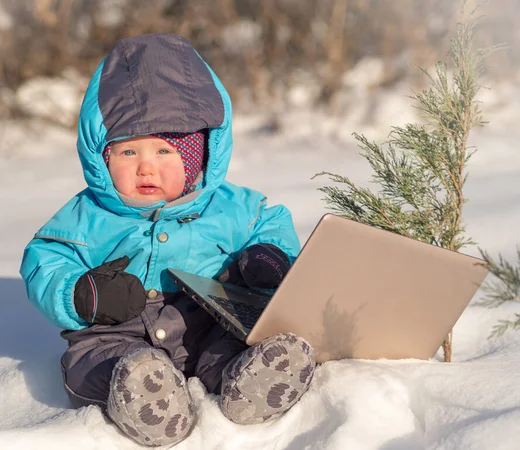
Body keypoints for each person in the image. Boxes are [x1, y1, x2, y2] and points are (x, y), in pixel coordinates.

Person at [20, 33, 316, 447]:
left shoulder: (233, 206)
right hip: (116, 331)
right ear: (101, 158)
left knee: (230, 343)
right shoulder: (87, 214)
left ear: (196, 157)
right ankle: (140, 393)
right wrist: (82, 295)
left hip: (206, 318)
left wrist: (267, 259)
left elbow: (270, 226)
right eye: (127, 153)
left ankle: (249, 384)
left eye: (163, 152)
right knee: (89, 363)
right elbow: (46, 260)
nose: (145, 169)